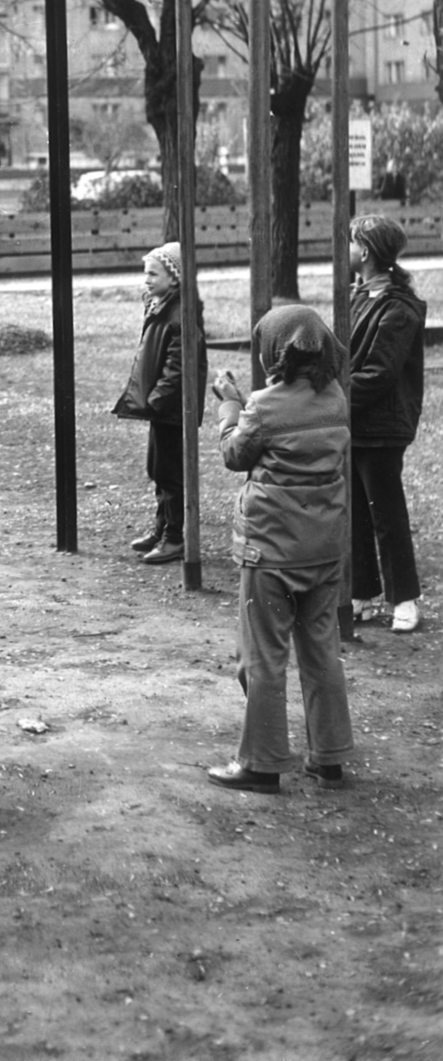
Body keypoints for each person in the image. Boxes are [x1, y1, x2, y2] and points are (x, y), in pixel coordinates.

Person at [206, 306, 354, 792]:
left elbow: (236, 453)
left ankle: (262, 764)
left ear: (272, 350)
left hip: (271, 549)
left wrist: (230, 406)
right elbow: (289, 428)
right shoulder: (335, 398)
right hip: (324, 545)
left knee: (264, 655)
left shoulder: (263, 407)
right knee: (321, 650)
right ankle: (328, 758)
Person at [348, 214, 425, 635]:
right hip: (356, 421)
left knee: (386, 512)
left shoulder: (398, 308)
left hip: (381, 425)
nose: (345, 250)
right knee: (356, 509)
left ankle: (405, 598)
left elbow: (379, 373)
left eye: (350, 242)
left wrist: (335, 398)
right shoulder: (358, 297)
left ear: (365, 252)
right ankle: (362, 591)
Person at [112, 241, 207, 565]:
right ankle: (162, 526)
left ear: (176, 276)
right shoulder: (162, 305)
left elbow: (178, 367)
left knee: (169, 473)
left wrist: (155, 400)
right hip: (163, 408)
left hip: (174, 409)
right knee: (158, 467)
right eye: (145, 273)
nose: (147, 280)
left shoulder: (181, 313)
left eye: (153, 273)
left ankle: (174, 537)